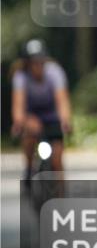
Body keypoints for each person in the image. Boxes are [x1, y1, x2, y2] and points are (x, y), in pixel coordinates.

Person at [10, 39, 72, 181]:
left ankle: (60, 191)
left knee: (57, 160)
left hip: (52, 116)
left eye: (40, 61)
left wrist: (65, 121)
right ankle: (29, 168)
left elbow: (62, 100)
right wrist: (20, 122)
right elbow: (18, 105)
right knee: (29, 134)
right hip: (31, 116)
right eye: (33, 62)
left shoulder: (54, 72)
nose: (37, 66)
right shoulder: (21, 76)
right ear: (27, 63)